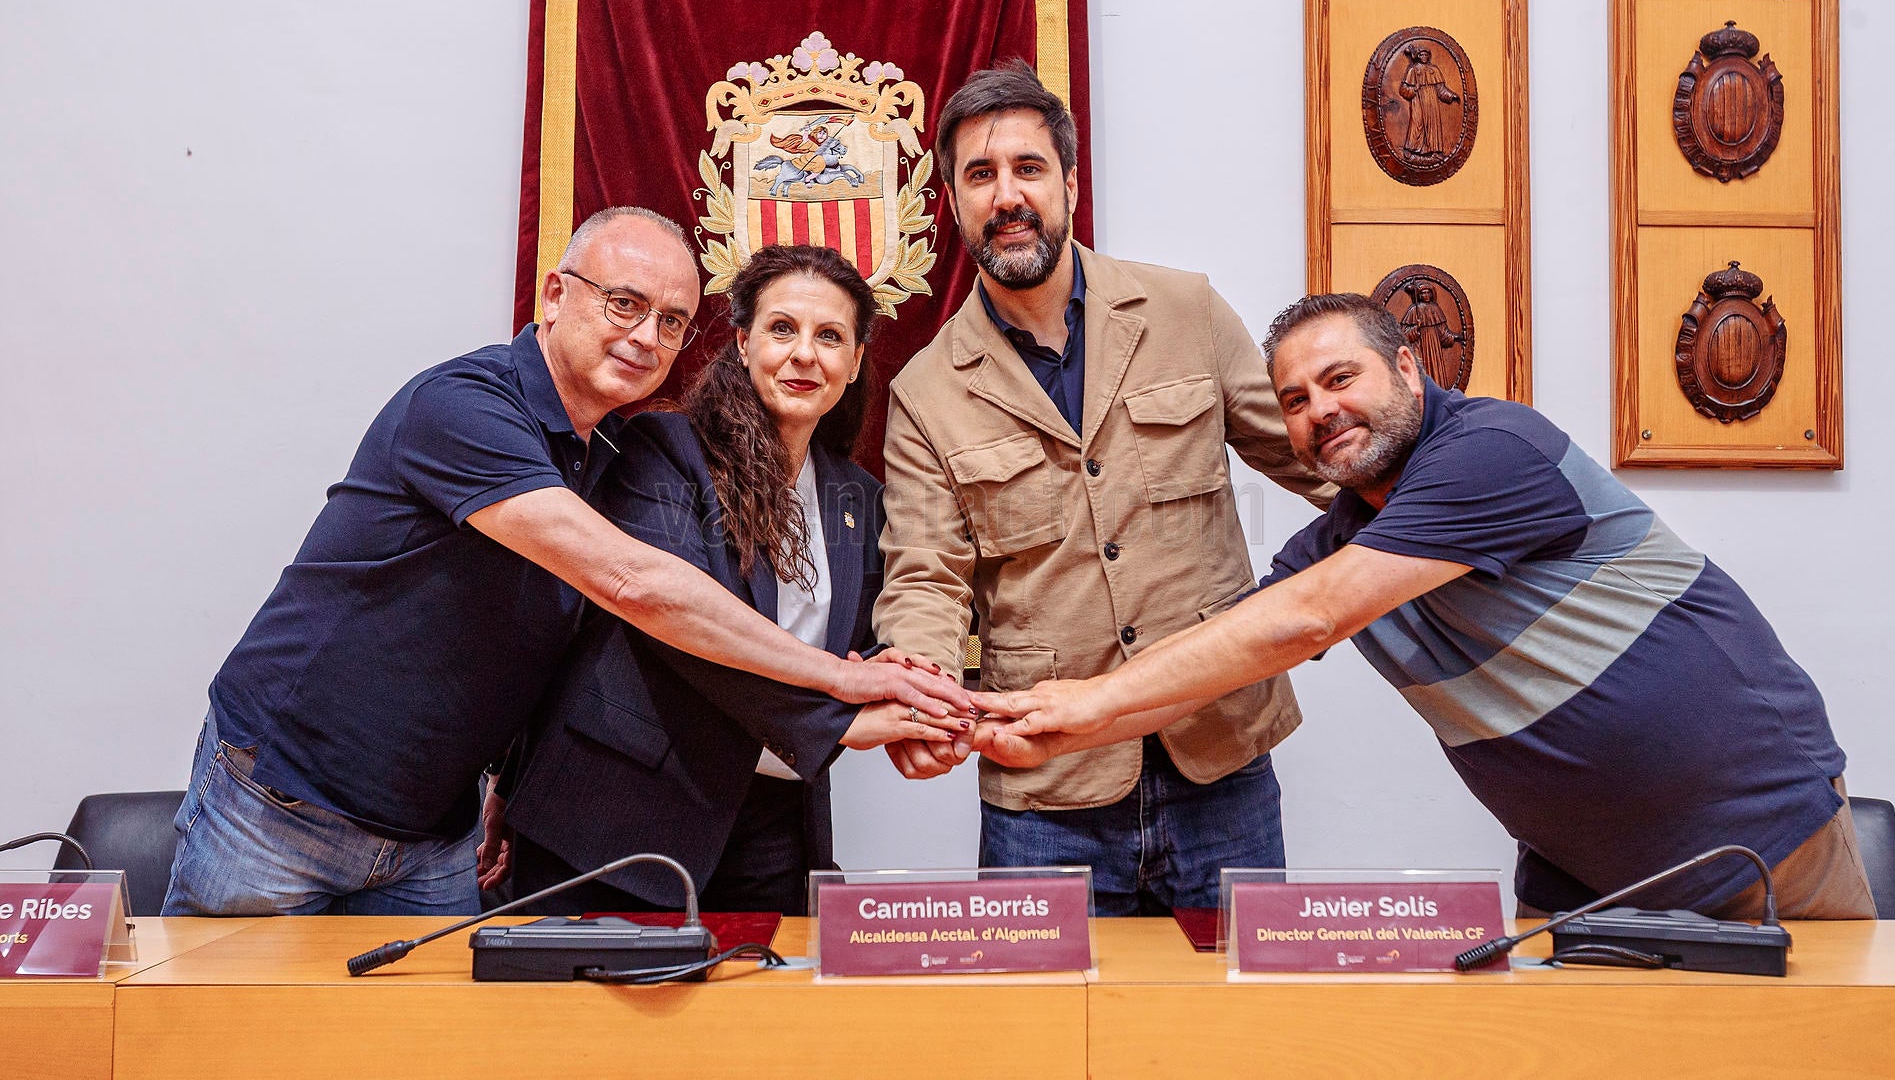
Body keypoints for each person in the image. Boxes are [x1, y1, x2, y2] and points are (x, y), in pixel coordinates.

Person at [162, 208, 967, 917]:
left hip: (436, 829)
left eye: (671, 321)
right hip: (286, 800)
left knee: (430, 1035)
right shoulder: (466, 406)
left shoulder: (602, 447)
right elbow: (635, 589)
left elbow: (549, 641)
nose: (644, 336)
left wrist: (504, 777)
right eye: (624, 304)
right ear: (554, 295)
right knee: (214, 1027)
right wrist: (842, 689)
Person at [977, 292, 1874, 919]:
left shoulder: (1493, 449)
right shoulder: (1340, 542)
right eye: (1295, 401)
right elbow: (1220, 667)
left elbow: (1308, 618)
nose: (1321, 411)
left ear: (1408, 368)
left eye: (1341, 379)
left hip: (1762, 843)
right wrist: (1053, 729)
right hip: (1584, 883)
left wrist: (1089, 701)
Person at [871, 62, 1333, 917]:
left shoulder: (1186, 310)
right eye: (980, 175)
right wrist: (924, 691)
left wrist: (1417, 534)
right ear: (953, 203)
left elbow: (1318, 460)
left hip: (1222, 758)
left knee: (1235, 1004)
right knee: (1044, 1009)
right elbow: (924, 577)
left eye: (1028, 168)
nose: (1007, 195)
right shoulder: (925, 392)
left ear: (1072, 185)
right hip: (1046, 791)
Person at [495, 244, 965, 914]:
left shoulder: (860, 498)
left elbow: (869, 647)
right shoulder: (663, 450)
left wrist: (918, 698)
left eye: (830, 337)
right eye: (782, 329)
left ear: (856, 361)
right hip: (617, 820)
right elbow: (680, 630)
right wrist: (841, 718)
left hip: (776, 828)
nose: (805, 355)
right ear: (743, 344)